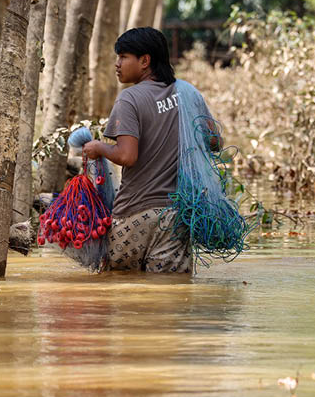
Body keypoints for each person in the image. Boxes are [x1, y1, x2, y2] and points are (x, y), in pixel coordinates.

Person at [81, 27, 219, 273]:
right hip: (176, 217)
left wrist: (99, 147)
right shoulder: (188, 93)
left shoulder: (130, 99)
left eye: (123, 57)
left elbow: (126, 156)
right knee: (168, 297)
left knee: (122, 295)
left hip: (134, 216)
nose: (117, 64)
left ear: (145, 61)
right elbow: (214, 142)